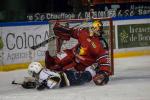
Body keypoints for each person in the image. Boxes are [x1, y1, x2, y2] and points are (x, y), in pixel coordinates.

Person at [45, 20, 110, 86]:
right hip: (72, 54)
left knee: (80, 77)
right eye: (96, 28)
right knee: (54, 62)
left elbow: (104, 60)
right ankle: (47, 74)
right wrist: (63, 30)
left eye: (99, 29)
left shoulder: (101, 43)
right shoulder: (84, 32)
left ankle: (64, 78)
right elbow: (72, 32)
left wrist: (104, 72)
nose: (97, 31)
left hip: (83, 64)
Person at [27, 62, 108, 90]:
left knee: (84, 78)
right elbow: (46, 79)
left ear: (36, 70)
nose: (32, 74)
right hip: (67, 75)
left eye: (32, 72)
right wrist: (36, 83)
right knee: (83, 76)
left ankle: (94, 68)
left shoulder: (42, 74)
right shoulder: (42, 72)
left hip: (69, 78)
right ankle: (91, 69)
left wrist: (44, 84)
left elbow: (56, 79)